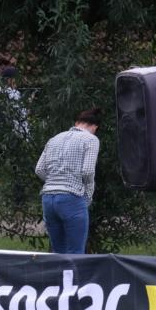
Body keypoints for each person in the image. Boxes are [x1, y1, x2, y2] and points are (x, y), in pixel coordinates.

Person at [34, 107, 102, 254]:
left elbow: (39, 169)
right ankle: (74, 278)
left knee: (58, 253)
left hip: (48, 199)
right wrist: (88, 195)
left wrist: (55, 180)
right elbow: (88, 171)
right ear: (94, 127)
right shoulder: (91, 139)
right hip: (72, 198)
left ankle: (58, 277)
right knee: (75, 252)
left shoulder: (54, 139)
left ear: (77, 123)